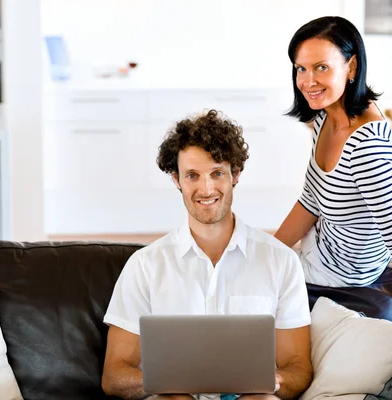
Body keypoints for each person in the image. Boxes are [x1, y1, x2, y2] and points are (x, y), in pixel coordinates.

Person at [101, 110, 313, 400]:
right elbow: (114, 377)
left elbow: (299, 368)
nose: (206, 189)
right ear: (176, 180)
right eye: (192, 176)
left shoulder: (281, 262)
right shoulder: (145, 266)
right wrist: (177, 384)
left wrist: (273, 381)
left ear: (235, 174)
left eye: (216, 173)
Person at [274, 16, 392, 341]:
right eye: (301, 68)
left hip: (340, 281)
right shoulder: (325, 117)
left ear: (351, 67)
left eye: (321, 67)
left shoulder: (368, 146)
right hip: (317, 258)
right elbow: (310, 202)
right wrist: (268, 253)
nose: (308, 81)